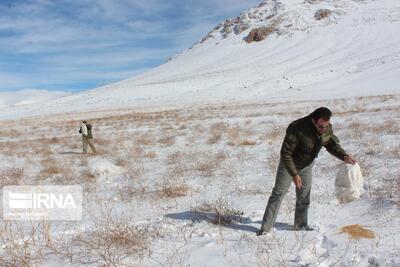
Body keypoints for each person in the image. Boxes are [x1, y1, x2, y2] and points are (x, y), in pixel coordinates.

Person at [257, 107, 355, 235]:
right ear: (313, 120)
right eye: (321, 126)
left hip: (307, 165)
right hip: (289, 164)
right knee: (278, 194)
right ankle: (265, 229)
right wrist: (294, 174)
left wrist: (344, 156)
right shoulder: (297, 128)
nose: (324, 129)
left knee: (304, 196)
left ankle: (301, 226)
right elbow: (286, 153)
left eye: (326, 125)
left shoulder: (325, 127)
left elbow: (330, 144)